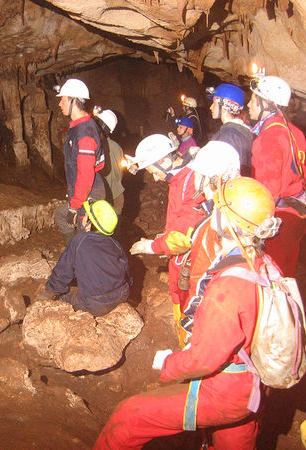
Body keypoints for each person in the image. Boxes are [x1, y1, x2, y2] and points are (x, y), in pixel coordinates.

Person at [95, 177, 281, 450]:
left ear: (227, 219)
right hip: (255, 386)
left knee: (128, 417)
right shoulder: (263, 265)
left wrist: (169, 363)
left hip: (225, 389)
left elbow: (204, 359)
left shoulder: (228, 288)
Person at [128, 134, 205, 337]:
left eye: (154, 171)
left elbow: (184, 237)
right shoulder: (181, 178)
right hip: (184, 258)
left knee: (189, 305)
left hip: (194, 260)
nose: (154, 178)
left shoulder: (190, 183)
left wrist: (152, 247)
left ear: (165, 161)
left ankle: (188, 347)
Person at [248, 73, 306, 277]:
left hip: (276, 222)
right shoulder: (294, 132)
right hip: (295, 216)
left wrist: (254, 228)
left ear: (266, 103)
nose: (249, 104)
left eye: (253, 99)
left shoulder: (269, 138)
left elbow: (266, 192)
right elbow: (303, 175)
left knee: (271, 279)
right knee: (286, 277)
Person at [38, 200, 130, 317]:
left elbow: (63, 271)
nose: (84, 217)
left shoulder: (80, 240)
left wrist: (50, 291)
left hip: (95, 304)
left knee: (63, 299)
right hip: (122, 295)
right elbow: (126, 271)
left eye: (86, 215)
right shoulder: (115, 244)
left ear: (89, 223)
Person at [53, 79, 106, 243]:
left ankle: (79, 259)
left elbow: (85, 176)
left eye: (63, 99)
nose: (60, 103)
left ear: (73, 100)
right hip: (84, 192)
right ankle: (73, 253)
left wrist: (74, 206)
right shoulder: (78, 127)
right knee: (62, 217)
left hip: (89, 194)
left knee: (85, 241)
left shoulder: (84, 133)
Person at [207, 83, 254, 176]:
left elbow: (216, 171)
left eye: (214, 103)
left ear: (224, 106)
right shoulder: (243, 131)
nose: (211, 107)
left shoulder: (227, 135)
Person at [93, 108, 125, 217]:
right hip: (117, 196)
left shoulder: (95, 147)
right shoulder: (117, 147)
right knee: (114, 230)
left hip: (102, 198)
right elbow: (120, 174)